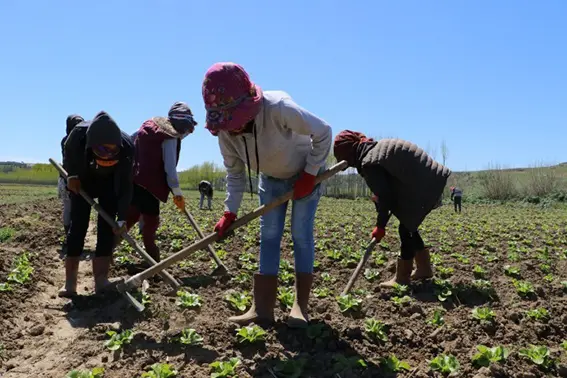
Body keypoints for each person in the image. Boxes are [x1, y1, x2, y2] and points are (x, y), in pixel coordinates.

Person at [202, 62, 332, 328]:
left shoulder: (279, 109)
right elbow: (235, 174)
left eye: (235, 121)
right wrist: (230, 211)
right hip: (271, 180)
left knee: (300, 235)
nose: (233, 129)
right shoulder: (226, 134)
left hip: (306, 172)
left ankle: (300, 306)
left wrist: (309, 174)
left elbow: (324, 132)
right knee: (270, 235)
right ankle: (262, 309)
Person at [333, 130, 451, 287]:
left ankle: (402, 279)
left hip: (424, 185)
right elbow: (386, 191)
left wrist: (380, 226)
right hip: (429, 180)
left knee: (406, 228)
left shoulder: (369, 162)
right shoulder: (374, 151)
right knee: (408, 226)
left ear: (349, 153)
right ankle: (424, 268)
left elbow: (386, 197)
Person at [60, 111, 134, 297]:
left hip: (110, 184)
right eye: (102, 150)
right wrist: (73, 176)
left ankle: (101, 280)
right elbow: (69, 157)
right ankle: (70, 283)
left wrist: (122, 218)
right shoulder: (76, 138)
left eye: (112, 150)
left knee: (107, 227)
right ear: (91, 145)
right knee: (78, 225)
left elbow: (126, 186)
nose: (108, 155)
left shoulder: (127, 147)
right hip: (83, 181)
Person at [125, 102, 197, 263]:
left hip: (135, 182)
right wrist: (177, 193)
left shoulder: (149, 129)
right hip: (151, 187)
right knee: (151, 223)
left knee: (130, 218)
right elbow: (170, 169)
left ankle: (105, 255)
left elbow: (130, 141)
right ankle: (153, 263)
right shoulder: (169, 137)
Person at [59, 114, 85, 254]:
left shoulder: (68, 140)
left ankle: (73, 237)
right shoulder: (69, 141)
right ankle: (70, 237)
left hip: (73, 178)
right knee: (70, 208)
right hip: (68, 178)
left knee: (73, 208)